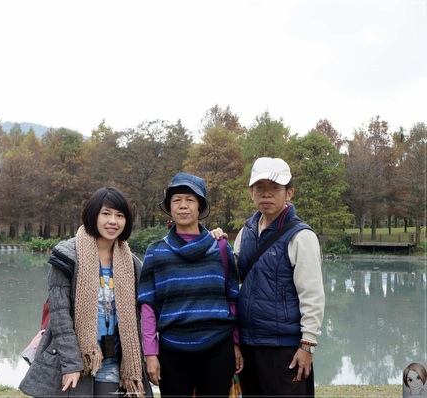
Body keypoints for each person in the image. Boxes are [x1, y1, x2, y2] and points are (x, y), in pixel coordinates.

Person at [19, 187, 153, 398]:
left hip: (114, 361)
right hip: (74, 358)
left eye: (120, 216)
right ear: (93, 215)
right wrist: (72, 363)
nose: (113, 221)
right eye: (106, 213)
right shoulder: (67, 257)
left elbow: (144, 313)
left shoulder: (133, 264)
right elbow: (59, 314)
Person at [212, 157, 325, 397]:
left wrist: (307, 345)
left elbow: (312, 295)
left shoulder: (301, 236)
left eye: (274, 188)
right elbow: (235, 277)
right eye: (260, 188)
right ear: (251, 193)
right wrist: (216, 244)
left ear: (289, 193)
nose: (267, 194)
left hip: (285, 346)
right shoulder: (247, 231)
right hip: (249, 342)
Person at [137, 172, 243, 397]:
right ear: (170, 207)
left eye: (190, 200)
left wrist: (235, 343)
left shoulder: (220, 248)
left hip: (217, 347)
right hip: (172, 351)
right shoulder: (156, 252)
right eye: (176, 200)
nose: (183, 206)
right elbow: (147, 308)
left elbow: (232, 299)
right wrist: (150, 354)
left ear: (200, 207)